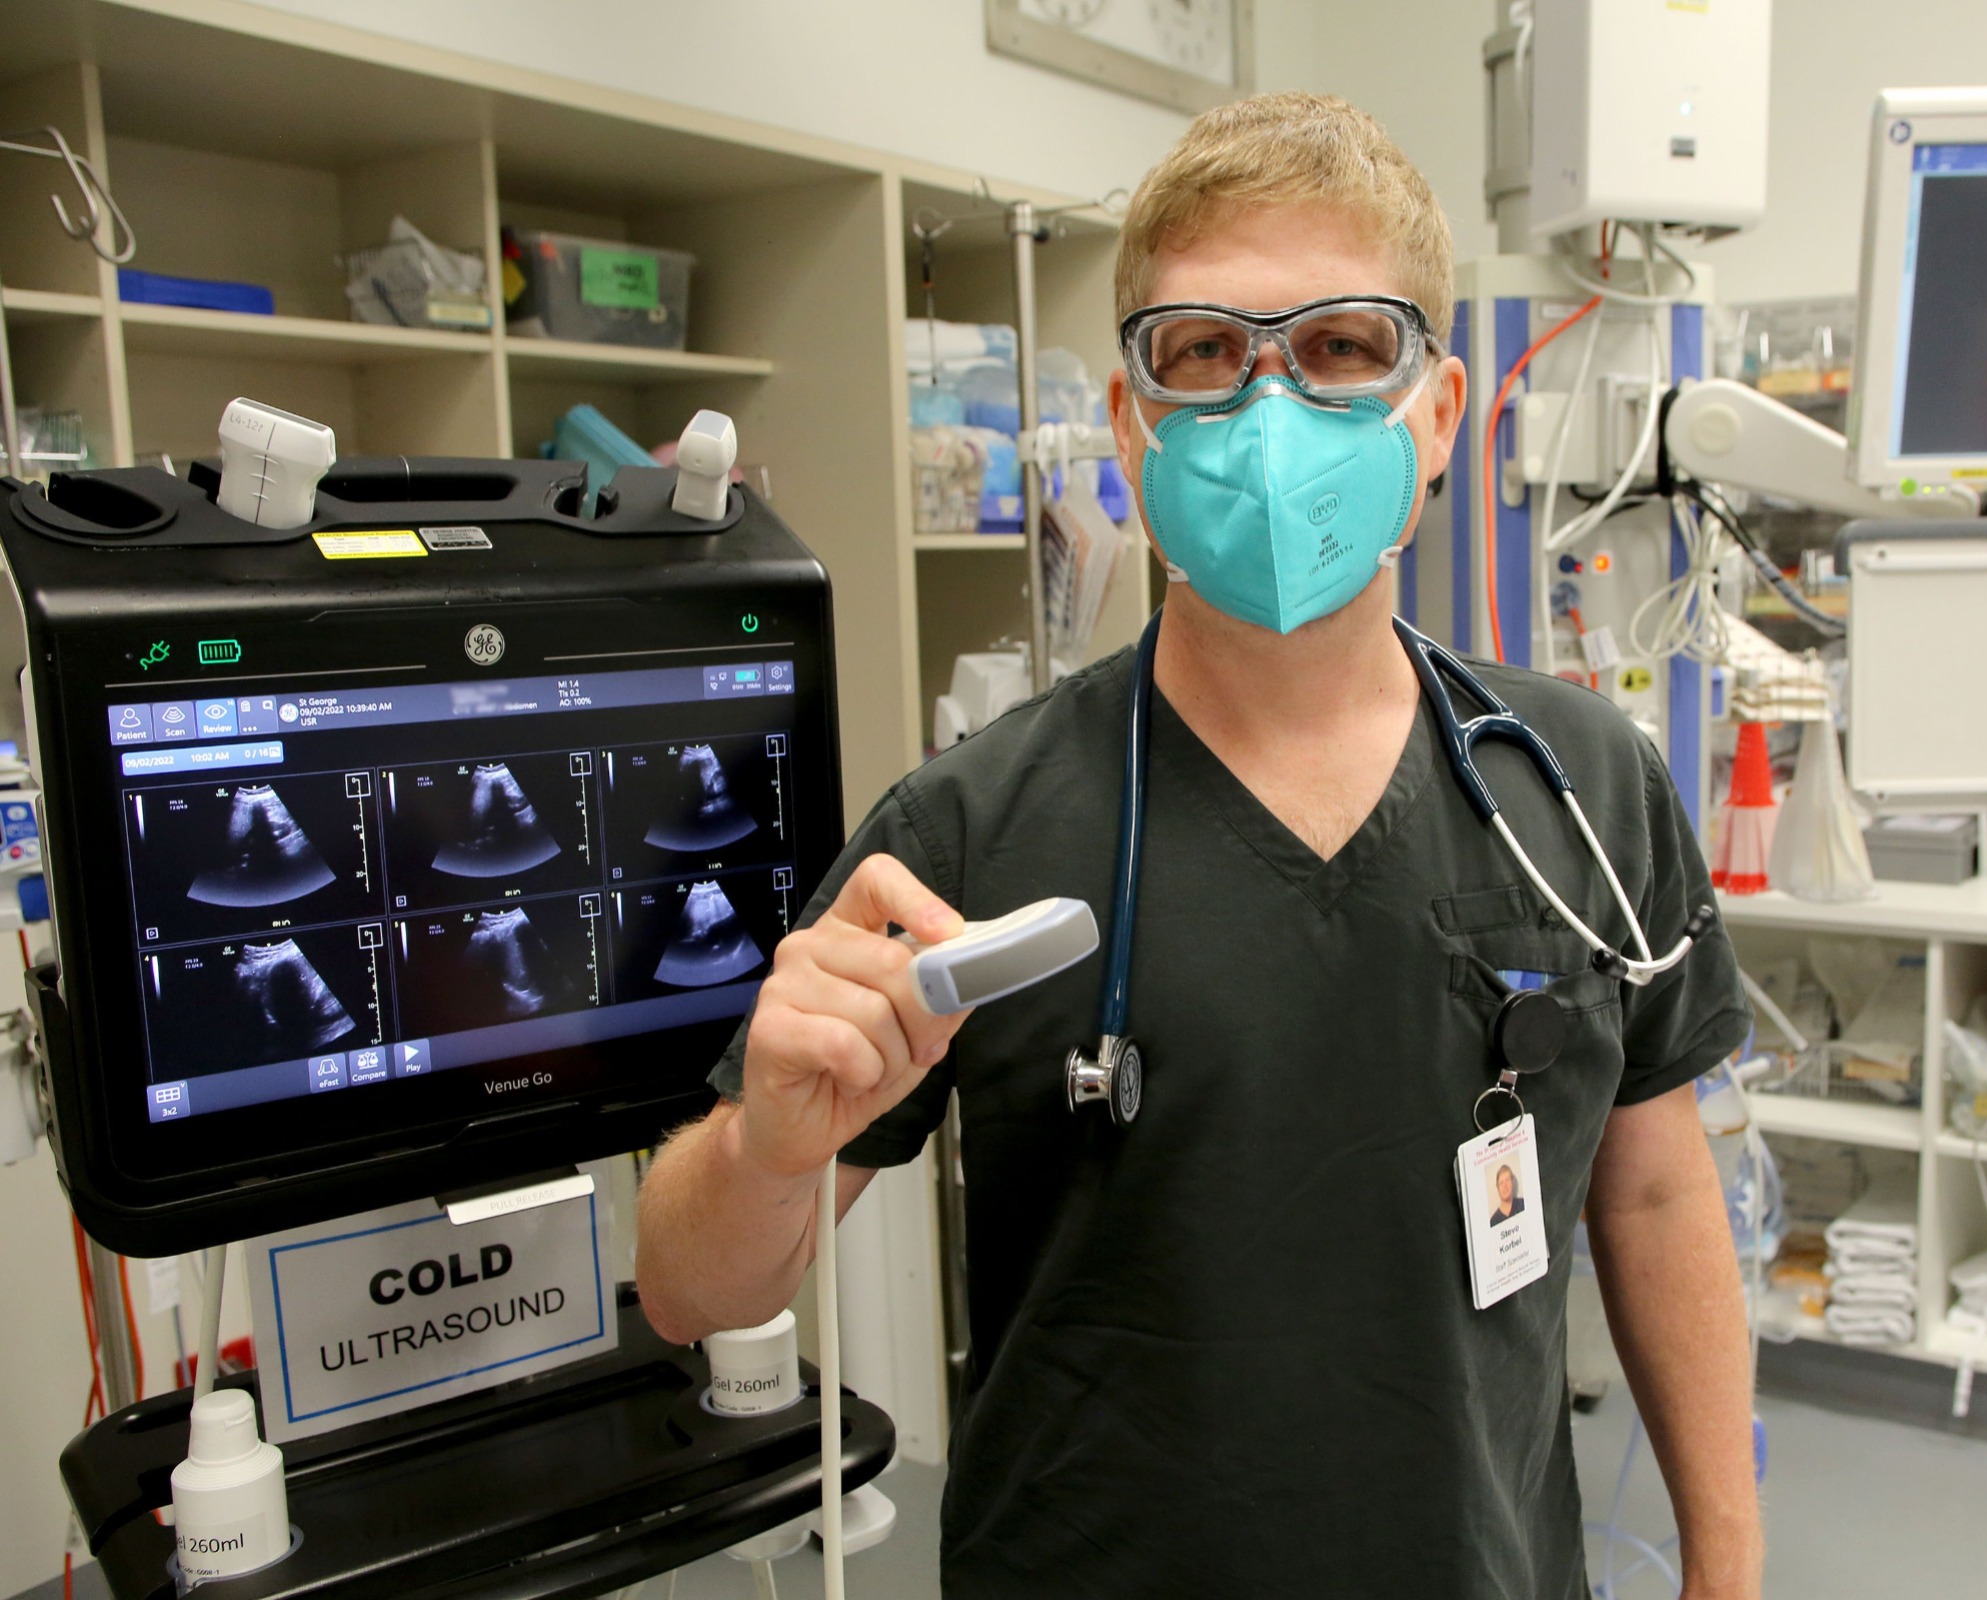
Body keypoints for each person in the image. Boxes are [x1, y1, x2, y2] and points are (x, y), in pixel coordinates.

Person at [636, 92, 1762, 1598]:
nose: (1273, 409)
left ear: (1436, 414)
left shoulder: (1588, 788)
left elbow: (1658, 1194)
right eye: (1207, 353)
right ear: (1131, 420)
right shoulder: (965, 830)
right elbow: (688, 1288)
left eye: (1345, 347)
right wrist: (768, 1143)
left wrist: (1730, 1561)